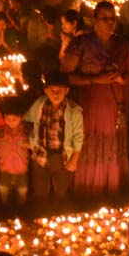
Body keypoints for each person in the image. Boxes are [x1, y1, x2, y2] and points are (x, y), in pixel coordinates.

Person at [61, 2, 129, 196]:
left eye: (113, 18)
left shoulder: (122, 45)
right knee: (89, 141)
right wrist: (95, 79)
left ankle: (111, 184)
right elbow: (66, 76)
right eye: (105, 18)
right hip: (90, 105)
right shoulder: (80, 43)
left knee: (113, 142)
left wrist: (122, 78)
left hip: (115, 105)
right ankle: (88, 187)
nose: (110, 22)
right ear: (94, 20)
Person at [24, 70, 83, 210]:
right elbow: (27, 120)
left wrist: (74, 159)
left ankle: (59, 212)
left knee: (61, 189)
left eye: (60, 90)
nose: (56, 94)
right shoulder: (39, 105)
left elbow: (78, 137)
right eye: (52, 90)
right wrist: (30, 141)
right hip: (39, 155)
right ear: (46, 90)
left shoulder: (74, 111)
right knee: (39, 189)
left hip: (62, 157)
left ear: (66, 91)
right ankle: (41, 213)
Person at [0, 97, 30, 213]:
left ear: (21, 118)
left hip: (22, 171)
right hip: (5, 170)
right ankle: (5, 209)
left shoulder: (26, 132)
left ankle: (21, 210)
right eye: (7, 119)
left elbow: (35, 145)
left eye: (14, 119)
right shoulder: (1, 133)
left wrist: (30, 145)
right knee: (3, 190)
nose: (10, 122)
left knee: (22, 192)